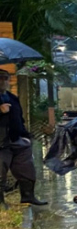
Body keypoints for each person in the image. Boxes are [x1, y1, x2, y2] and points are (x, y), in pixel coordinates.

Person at [0, 69, 46, 207]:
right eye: (0, 78)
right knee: (0, 172)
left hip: (16, 139)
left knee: (27, 169)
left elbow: (19, 119)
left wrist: (25, 136)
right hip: (1, 143)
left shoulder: (11, 97)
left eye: (5, 78)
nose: (3, 81)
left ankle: (28, 196)